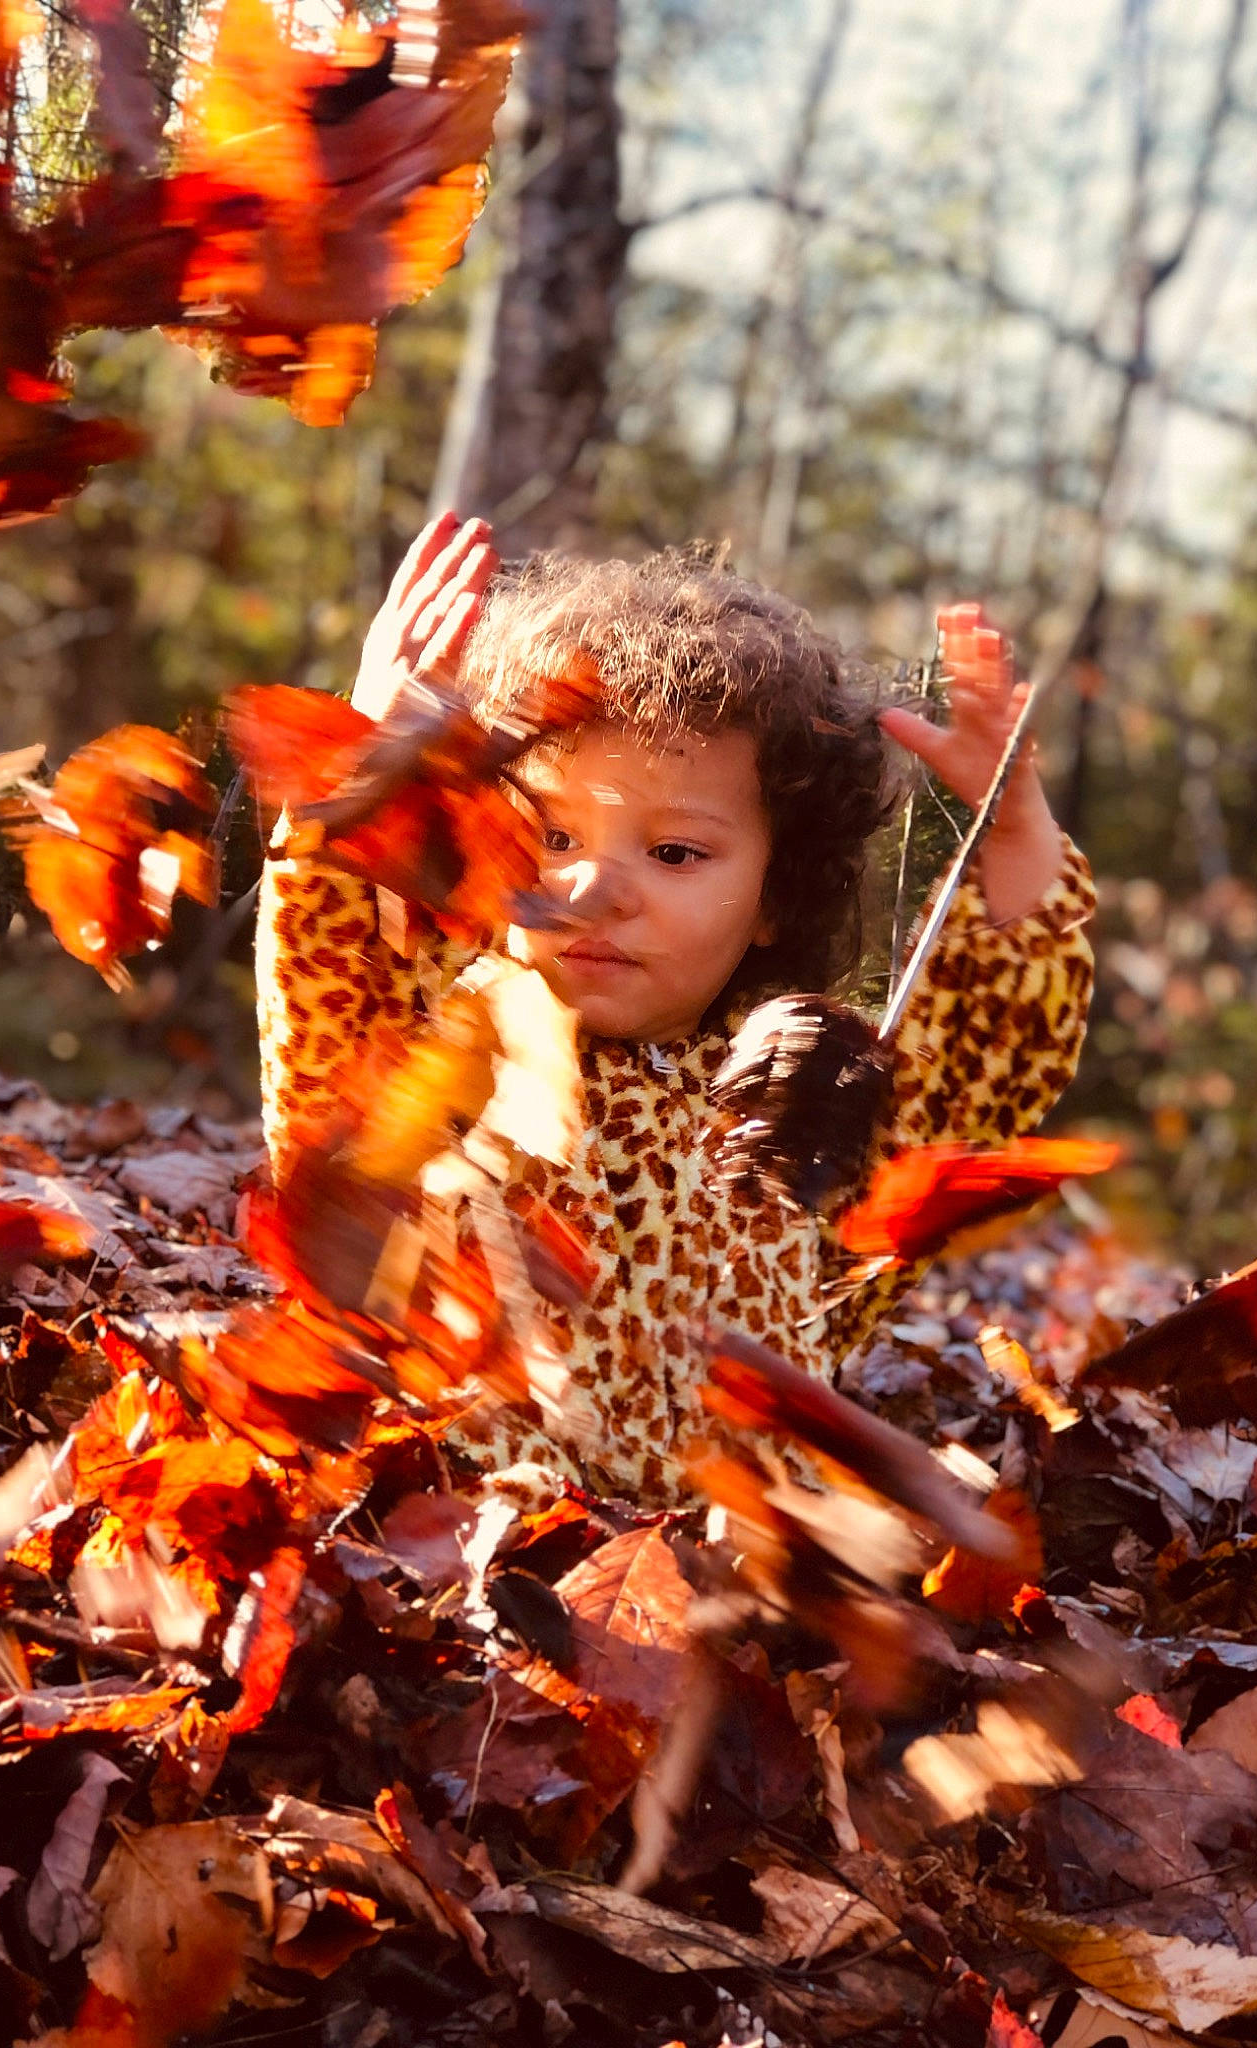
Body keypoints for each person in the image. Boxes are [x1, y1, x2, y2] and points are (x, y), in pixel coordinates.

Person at [256, 514, 1095, 1506]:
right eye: (553, 833)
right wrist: (373, 780)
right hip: (464, 1546)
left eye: (675, 853)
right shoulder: (447, 1048)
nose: (590, 890)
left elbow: (982, 1058)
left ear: (779, 892)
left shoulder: (787, 1115)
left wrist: (1016, 827)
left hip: (734, 1592)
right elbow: (328, 967)